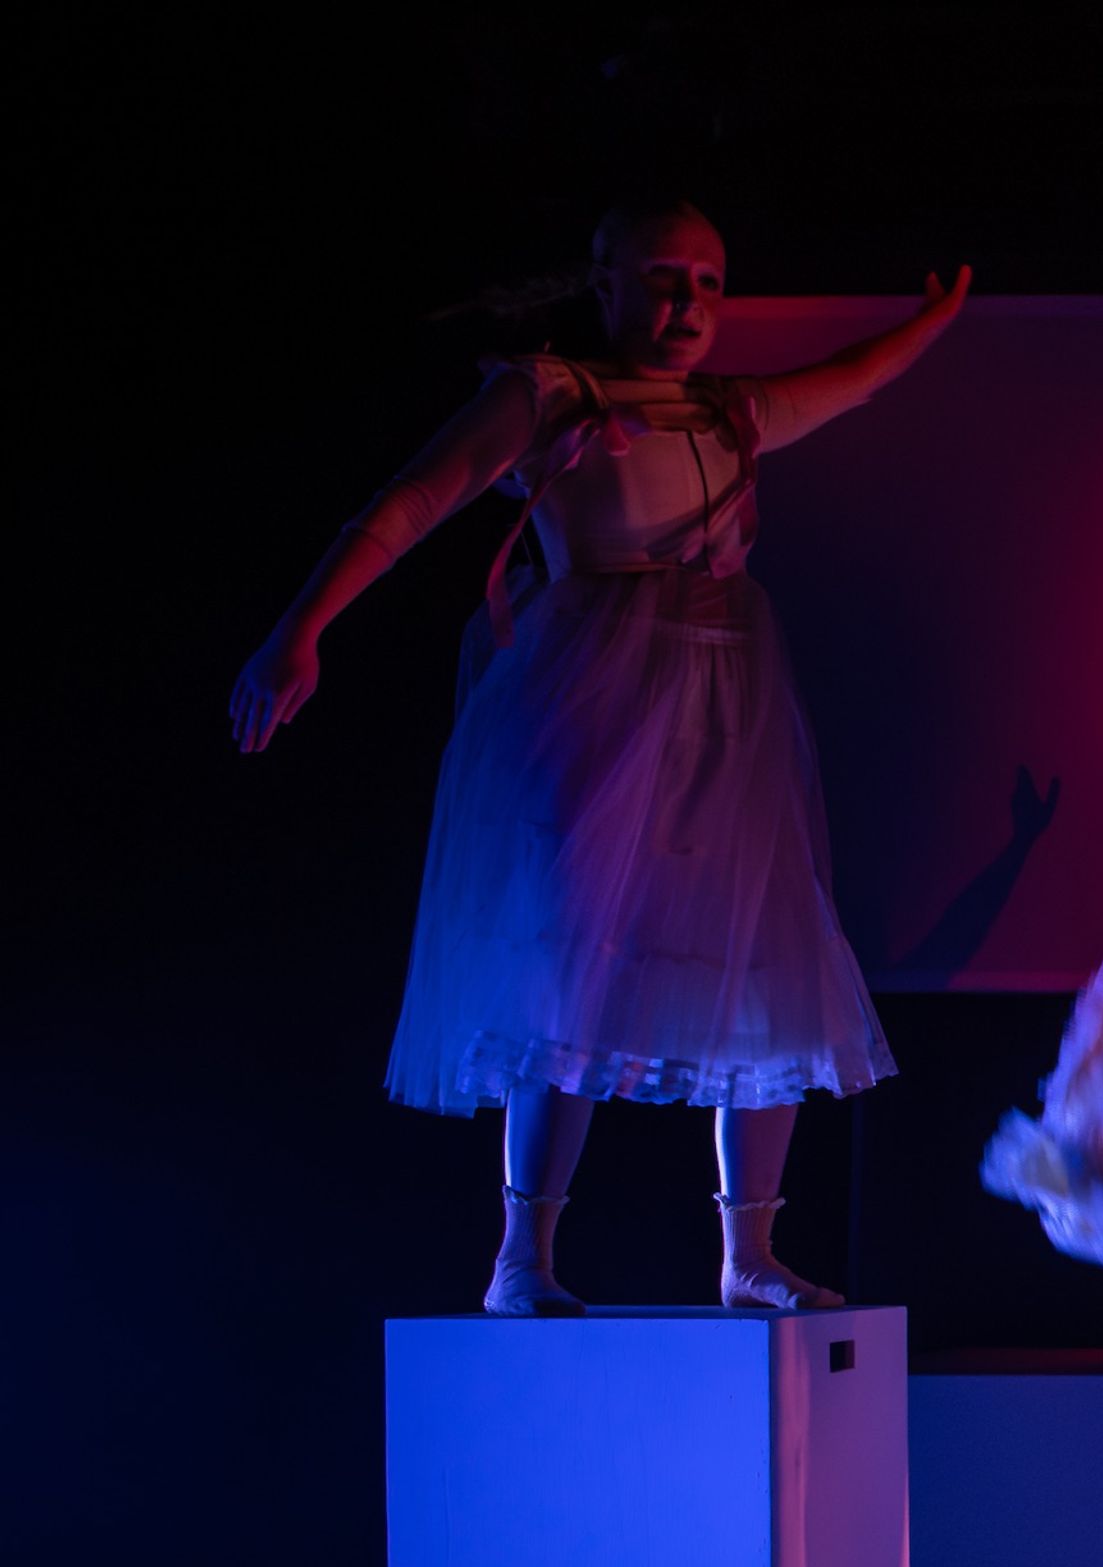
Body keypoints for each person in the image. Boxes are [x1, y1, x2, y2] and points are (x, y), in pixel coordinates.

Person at [230, 202, 970, 1313]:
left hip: (725, 709)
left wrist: (936, 319)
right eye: (665, 279)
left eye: (711, 285)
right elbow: (411, 504)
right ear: (607, 281)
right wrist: (303, 626)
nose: (688, 306)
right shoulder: (549, 395)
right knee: (570, 960)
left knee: (760, 964)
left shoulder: (730, 413)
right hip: (594, 704)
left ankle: (748, 1255)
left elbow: (846, 380)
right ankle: (521, 1254)